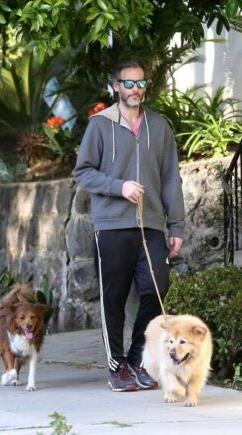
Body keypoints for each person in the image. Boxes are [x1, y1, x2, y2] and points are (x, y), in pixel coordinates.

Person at [74, 60, 184, 392]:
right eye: (129, 84)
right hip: (111, 225)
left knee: (156, 289)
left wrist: (176, 225)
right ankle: (116, 364)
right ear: (116, 87)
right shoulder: (99, 125)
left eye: (140, 84)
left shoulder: (159, 126)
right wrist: (118, 186)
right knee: (114, 297)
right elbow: (83, 172)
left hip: (150, 225)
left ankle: (137, 359)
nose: (135, 90)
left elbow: (170, 179)